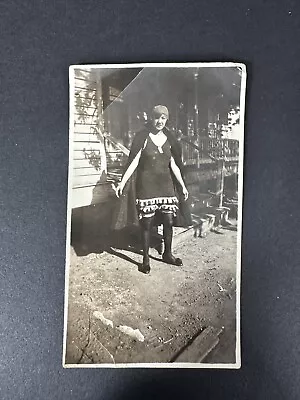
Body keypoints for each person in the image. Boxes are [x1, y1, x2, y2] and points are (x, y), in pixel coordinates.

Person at [114, 105, 191, 274]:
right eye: (157, 117)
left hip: (166, 186)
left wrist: (183, 186)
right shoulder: (143, 137)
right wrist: (122, 182)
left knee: (169, 221)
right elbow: (133, 162)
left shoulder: (169, 139)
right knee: (147, 223)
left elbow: (174, 165)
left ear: (166, 120)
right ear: (151, 118)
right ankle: (145, 260)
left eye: (163, 118)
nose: (160, 121)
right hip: (147, 186)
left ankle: (168, 254)